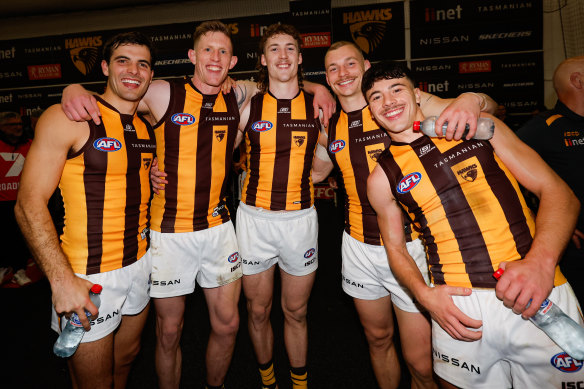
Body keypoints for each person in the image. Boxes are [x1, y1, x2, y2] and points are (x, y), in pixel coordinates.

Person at [61, 20, 335, 389]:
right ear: (192, 55)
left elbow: (284, 79)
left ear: (234, 60)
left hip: (219, 230)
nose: (215, 58)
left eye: (223, 51)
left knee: (229, 324)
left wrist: (319, 88)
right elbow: (114, 100)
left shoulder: (239, 96)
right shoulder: (161, 93)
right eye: (207, 49)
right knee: (170, 332)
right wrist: (73, 87)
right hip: (167, 234)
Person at [362, 60, 583, 388]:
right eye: (376, 97)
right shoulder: (381, 177)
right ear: (371, 111)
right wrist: (424, 295)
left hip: (537, 287)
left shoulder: (479, 127)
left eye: (396, 89)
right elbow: (394, 248)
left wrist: (541, 263)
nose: (388, 101)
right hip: (457, 308)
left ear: (417, 94)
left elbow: (559, 193)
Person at [316, 42, 495, 389]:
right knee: (378, 340)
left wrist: (472, 97)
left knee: (421, 364)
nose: (343, 74)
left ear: (366, 65)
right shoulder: (330, 123)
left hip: (411, 249)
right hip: (357, 248)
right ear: (326, 77)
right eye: (333, 69)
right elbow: (318, 173)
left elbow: (482, 114)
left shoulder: (398, 106)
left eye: (350, 64)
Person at [15, 32, 156, 389]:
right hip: (89, 277)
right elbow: (28, 204)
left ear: (151, 76)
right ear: (106, 67)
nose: (133, 71)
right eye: (123, 60)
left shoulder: (146, 126)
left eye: (143, 64)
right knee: (92, 382)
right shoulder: (69, 117)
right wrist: (61, 281)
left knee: (125, 362)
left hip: (140, 264)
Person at [236, 23, 327, 389]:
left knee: (296, 311)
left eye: (290, 48)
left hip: (300, 220)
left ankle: (300, 383)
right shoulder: (249, 104)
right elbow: (215, 153)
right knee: (258, 310)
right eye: (274, 49)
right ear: (263, 59)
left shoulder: (319, 109)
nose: (283, 56)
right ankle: (268, 381)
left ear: (300, 58)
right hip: (254, 221)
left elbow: (326, 163)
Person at [516, 55, 584, 306]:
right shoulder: (542, 129)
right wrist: (540, 220)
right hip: (572, 250)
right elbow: (503, 179)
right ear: (577, 80)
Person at [0, 111, 33, 287]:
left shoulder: (30, 144)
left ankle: (20, 270)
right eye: (13, 125)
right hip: (1, 202)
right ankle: (3, 268)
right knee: (3, 237)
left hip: (24, 201)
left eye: (20, 124)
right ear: (2, 128)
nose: (18, 127)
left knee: (22, 238)